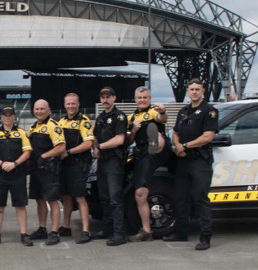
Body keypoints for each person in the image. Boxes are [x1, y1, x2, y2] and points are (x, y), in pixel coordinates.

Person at [163, 78, 218, 250]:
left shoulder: (210, 111)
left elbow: (207, 137)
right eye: (191, 89)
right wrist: (178, 145)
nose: (194, 92)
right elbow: (175, 132)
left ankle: (205, 238)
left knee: (200, 199)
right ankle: (181, 233)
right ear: (188, 91)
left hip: (200, 161)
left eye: (197, 89)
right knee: (181, 198)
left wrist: (185, 145)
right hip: (183, 160)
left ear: (203, 90)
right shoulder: (184, 111)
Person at [126, 86, 171, 242]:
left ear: (149, 99)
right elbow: (129, 140)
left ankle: (157, 143)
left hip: (159, 149)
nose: (142, 100)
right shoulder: (131, 118)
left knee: (157, 135)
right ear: (135, 99)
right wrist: (134, 130)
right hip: (143, 154)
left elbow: (162, 119)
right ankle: (146, 230)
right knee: (140, 194)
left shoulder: (153, 112)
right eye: (140, 98)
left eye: (145, 97)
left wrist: (163, 111)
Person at [0, 106, 33, 247]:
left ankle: (24, 235)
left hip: (18, 174)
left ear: (14, 117)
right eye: (5, 115)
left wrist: (15, 164)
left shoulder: (21, 133)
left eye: (10, 115)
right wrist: (2, 163)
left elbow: (27, 152)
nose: (7, 117)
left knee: (20, 205)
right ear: (1, 117)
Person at [91, 86, 128, 246]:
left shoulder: (119, 116)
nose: (105, 100)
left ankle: (119, 234)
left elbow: (119, 140)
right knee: (104, 198)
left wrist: (100, 147)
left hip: (114, 161)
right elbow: (94, 136)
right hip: (103, 161)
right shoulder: (100, 117)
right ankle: (107, 230)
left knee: (115, 199)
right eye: (103, 97)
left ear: (114, 98)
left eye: (108, 97)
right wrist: (95, 147)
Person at [57, 93, 94, 244]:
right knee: (65, 196)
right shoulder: (61, 121)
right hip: (64, 165)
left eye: (73, 103)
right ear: (64, 105)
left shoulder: (83, 121)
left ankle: (85, 230)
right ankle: (66, 227)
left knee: (79, 197)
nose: (70, 106)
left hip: (78, 164)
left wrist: (69, 152)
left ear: (78, 105)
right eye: (68, 104)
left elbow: (88, 144)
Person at [28, 99, 66, 246]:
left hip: (49, 170)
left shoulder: (53, 126)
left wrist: (44, 156)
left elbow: (61, 147)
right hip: (36, 170)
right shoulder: (33, 127)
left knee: (52, 200)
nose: (39, 112)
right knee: (39, 200)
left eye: (42, 109)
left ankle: (54, 232)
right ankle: (42, 229)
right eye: (37, 109)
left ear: (48, 110)